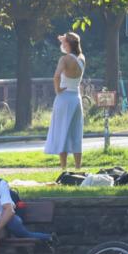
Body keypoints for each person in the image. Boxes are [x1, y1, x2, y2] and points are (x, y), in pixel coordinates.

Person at [44, 32, 86, 170]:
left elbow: (56, 76)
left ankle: (63, 167)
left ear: (68, 44)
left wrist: (57, 90)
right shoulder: (81, 58)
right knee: (75, 132)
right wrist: (65, 38)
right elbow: (71, 44)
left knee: (62, 131)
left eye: (64, 42)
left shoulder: (65, 59)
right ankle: (78, 167)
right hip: (76, 97)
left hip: (64, 97)